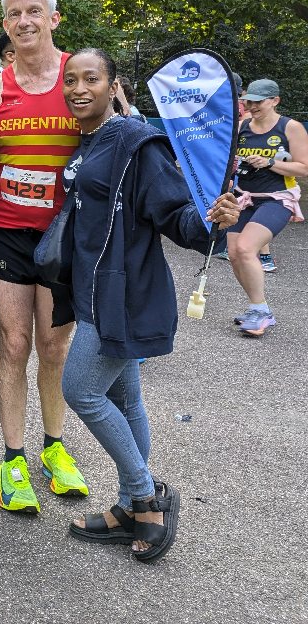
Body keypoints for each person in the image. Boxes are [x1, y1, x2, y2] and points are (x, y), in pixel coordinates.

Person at [55, 48, 239, 561]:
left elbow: (177, 214)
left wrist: (211, 220)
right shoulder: (91, 140)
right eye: (71, 80)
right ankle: (123, 510)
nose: (78, 88)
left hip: (124, 296)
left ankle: (146, 497)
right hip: (92, 291)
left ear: (114, 86)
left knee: (82, 392)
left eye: (91, 78)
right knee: (126, 400)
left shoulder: (138, 143)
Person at [0, 0, 87, 513]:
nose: (24, 21)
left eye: (34, 11)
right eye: (15, 13)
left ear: (53, 19)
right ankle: (13, 457)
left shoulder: (81, 79)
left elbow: (124, 139)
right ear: (4, 24)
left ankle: (55, 449)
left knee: (54, 347)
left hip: (65, 235)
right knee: (14, 344)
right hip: (7, 230)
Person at [226, 79, 306, 336]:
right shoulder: (242, 126)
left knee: (245, 248)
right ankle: (256, 307)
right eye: (249, 101)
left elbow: (304, 167)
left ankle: (261, 312)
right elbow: (230, 160)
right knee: (234, 254)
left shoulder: (290, 128)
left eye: (259, 101)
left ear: (275, 101)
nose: (252, 105)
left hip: (277, 198)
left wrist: (269, 161)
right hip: (244, 196)